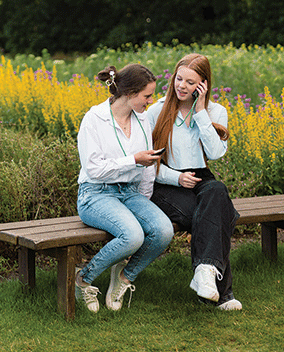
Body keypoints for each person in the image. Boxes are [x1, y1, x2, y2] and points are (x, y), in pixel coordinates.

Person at [146, 53, 242, 310]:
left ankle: (204, 272)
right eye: (179, 79)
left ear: (203, 84)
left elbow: (215, 153)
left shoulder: (216, 111)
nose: (182, 86)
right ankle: (223, 295)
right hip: (166, 181)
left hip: (202, 179)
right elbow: (147, 164)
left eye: (190, 82)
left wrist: (200, 112)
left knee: (217, 190)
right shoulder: (157, 111)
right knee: (218, 216)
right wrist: (175, 177)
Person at [75, 63, 174, 313]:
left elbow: (148, 166)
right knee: (132, 235)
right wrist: (132, 160)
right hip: (95, 193)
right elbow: (94, 169)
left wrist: (143, 203)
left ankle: (124, 278)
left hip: (129, 192)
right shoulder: (94, 120)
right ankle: (82, 279)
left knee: (163, 230)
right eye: (147, 96)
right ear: (129, 93)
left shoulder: (141, 119)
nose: (150, 102)